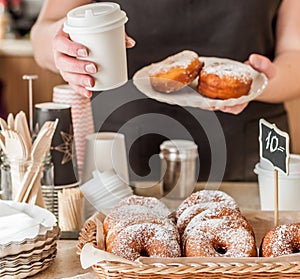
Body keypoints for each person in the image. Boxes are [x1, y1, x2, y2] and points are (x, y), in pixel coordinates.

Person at [30, 0, 300, 182]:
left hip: (246, 156)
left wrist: (263, 82)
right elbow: (42, 34)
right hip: (121, 147)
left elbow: (295, 53)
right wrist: (65, 45)